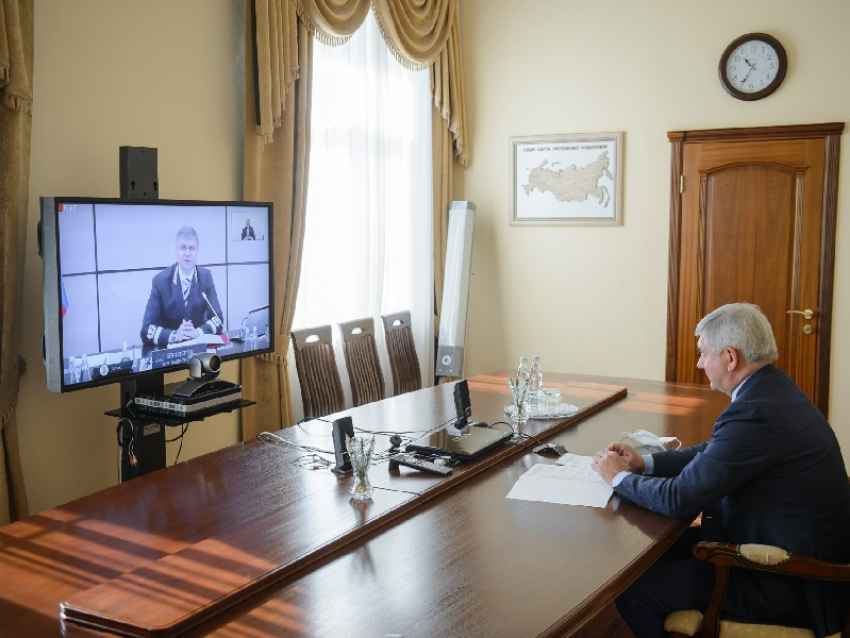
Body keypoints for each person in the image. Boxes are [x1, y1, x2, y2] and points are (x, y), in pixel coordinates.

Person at [591, 303, 850, 638]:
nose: (699, 363)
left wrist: (618, 477)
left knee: (633, 592)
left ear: (730, 358)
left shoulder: (755, 411)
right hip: (784, 548)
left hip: (790, 580)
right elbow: (715, 453)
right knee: (654, 555)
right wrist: (644, 463)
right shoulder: (773, 389)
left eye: (703, 354)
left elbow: (681, 499)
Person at [140, 226, 224, 348]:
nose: (187, 253)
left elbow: (218, 319)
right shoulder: (160, 280)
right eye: (183, 248)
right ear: (176, 251)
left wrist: (198, 332)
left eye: (192, 248)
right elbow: (146, 329)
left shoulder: (205, 277)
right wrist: (174, 335)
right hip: (169, 353)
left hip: (198, 349)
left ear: (197, 252)